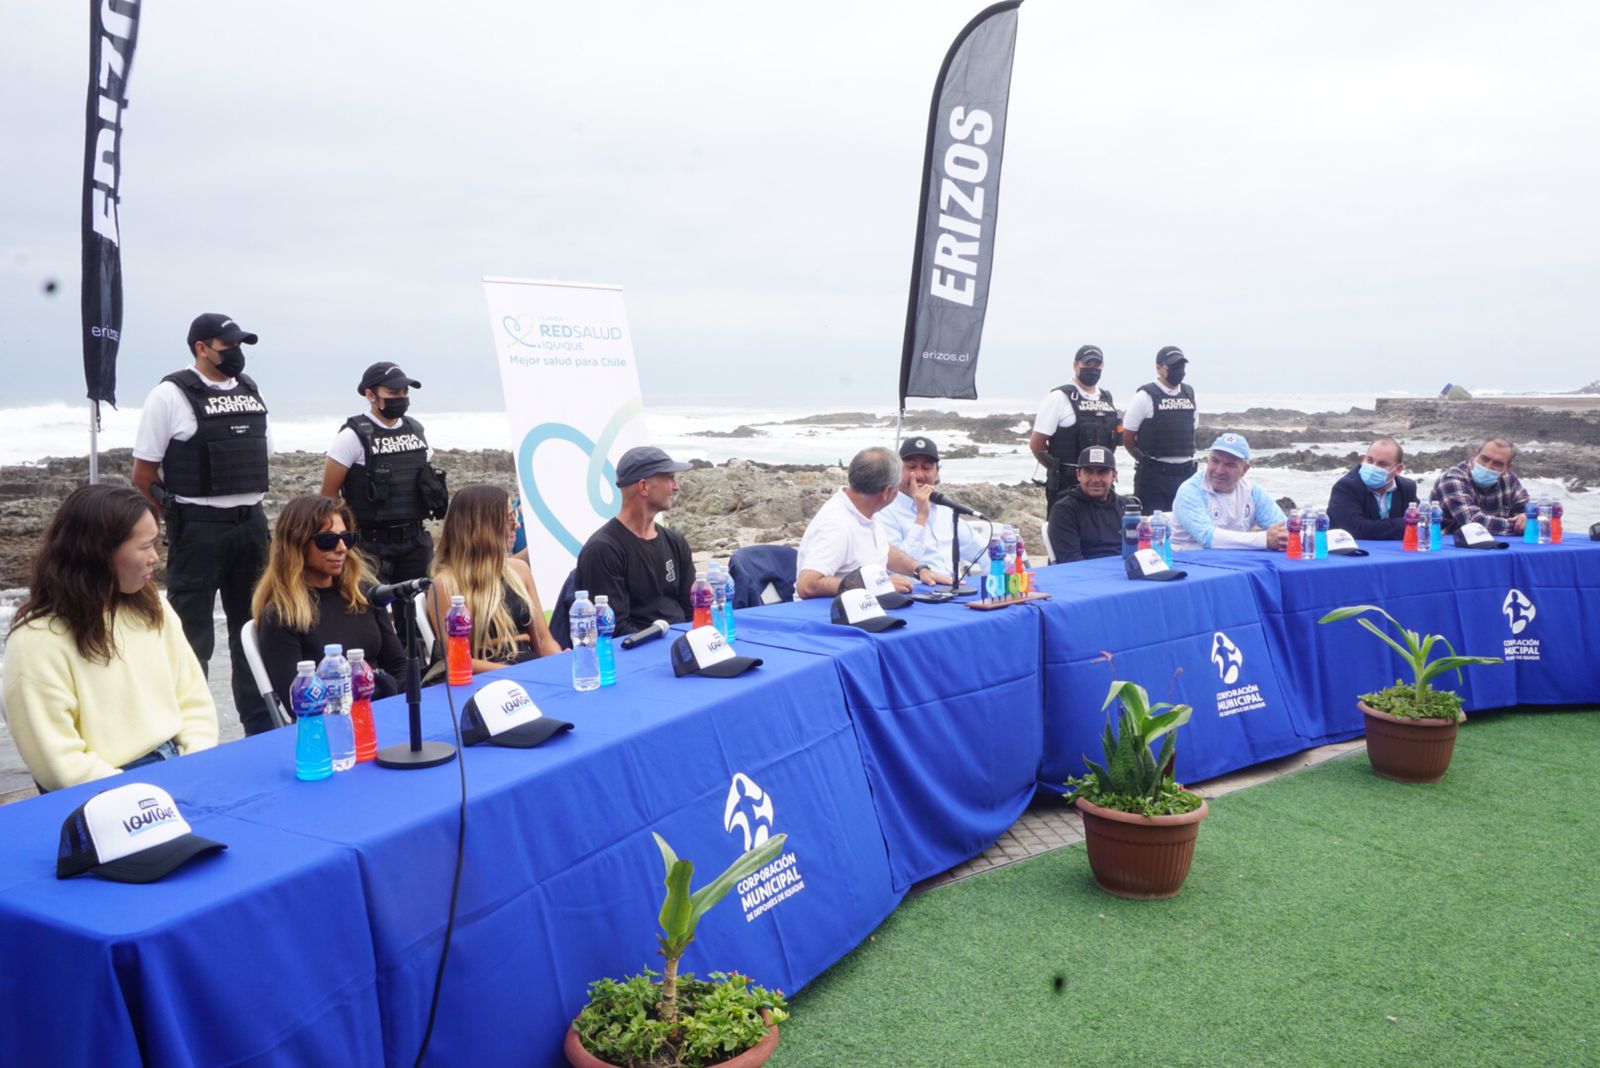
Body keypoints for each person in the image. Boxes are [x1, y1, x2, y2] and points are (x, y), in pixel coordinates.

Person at [3, 485, 218, 792]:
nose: (155, 558)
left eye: (156, 544)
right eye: (144, 547)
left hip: (180, 765)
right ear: (99, 553)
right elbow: (58, 762)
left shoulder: (153, 607)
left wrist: (193, 762)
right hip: (107, 789)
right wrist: (139, 794)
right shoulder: (36, 640)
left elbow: (194, 701)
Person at [131, 312, 274, 735]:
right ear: (201, 348)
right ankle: (185, 734)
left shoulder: (250, 390)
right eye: (228, 346)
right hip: (198, 528)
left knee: (252, 629)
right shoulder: (170, 395)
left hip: (251, 526)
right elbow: (144, 475)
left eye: (240, 345)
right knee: (190, 637)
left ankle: (260, 729)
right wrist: (155, 535)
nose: (236, 354)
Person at [251, 495, 407, 710]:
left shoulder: (363, 595)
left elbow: (401, 667)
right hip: (332, 726)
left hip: (384, 713)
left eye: (347, 538)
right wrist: (375, 687)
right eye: (327, 540)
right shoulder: (282, 614)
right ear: (298, 544)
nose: (342, 548)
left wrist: (373, 691)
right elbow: (297, 701)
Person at [319, 362, 442, 585]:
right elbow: (328, 496)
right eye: (393, 392)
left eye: (405, 392)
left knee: (417, 611)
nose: (402, 397)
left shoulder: (416, 431)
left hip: (415, 544)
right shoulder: (352, 436)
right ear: (370, 395)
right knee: (368, 612)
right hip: (369, 546)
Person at [426, 484, 561, 674]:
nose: (517, 525)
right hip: (488, 681)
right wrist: (518, 674)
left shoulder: (519, 571)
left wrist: (563, 665)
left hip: (531, 670)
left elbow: (544, 641)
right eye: (509, 518)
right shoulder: (445, 585)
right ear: (484, 528)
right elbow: (456, 659)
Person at [574, 446, 696, 635]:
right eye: (669, 478)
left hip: (682, 643)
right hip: (637, 652)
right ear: (644, 487)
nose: (676, 486)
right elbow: (614, 629)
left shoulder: (676, 542)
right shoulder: (602, 550)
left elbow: (692, 609)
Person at [795, 447, 928, 599]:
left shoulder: (864, 509)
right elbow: (807, 585)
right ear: (886, 492)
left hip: (862, 606)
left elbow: (880, 549)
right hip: (828, 614)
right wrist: (875, 585)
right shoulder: (837, 525)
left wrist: (919, 570)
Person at [876, 437, 983, 583]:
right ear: (897, 471)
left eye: (926, 468)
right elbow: (900, 569)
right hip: (918, 594)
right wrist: (921, 516)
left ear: (937, 473)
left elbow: (981, 551)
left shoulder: (945, 509)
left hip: (955, 590)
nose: (919, 475)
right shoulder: (885, 511)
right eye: (911, 467)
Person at [1030, 345, 1119, 512]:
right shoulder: (1058, 397)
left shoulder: (1106, 398)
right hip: (1067, 484)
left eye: (1096, 365)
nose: (1092, 369)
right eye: (1087, 364)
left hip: (1103, 484)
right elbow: (1037, 444)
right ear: (1075, 365)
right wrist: (1058, 470)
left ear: (1102, 367)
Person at [1171, 433, 1288, 551]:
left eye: (1229, 465)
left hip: (1233, 560)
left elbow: (1285, 528)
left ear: (1245, 469)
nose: (1219, 470)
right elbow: (1206, 537)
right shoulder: (1191, 490)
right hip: (1189, 560)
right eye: (1215, 461)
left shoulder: (1252, 491)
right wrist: (1263, 540)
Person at [1121, 345, 1197, 512]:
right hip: (1154, 475)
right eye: (1173, 366)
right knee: (1151, 526)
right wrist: (1144, 461)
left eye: (1181, 366)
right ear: (1159, 368)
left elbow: (1192, 428)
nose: (1179, 370)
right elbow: (1128, 437)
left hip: (1185, 473)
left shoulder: (1190, 394)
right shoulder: (1145, 396)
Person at [1429, 436, 1530, 536]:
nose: (1488, 466)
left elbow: (1528, 511)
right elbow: (1474, 522)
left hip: (1496, 543)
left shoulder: (1510, 479)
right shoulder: (1452, 478)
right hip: (1452, 545)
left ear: (1507, 467)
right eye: (1484, 459)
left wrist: (1525, 517)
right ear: (1475, 454)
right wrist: (1524, 525)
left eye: (1498, 463)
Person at [1047, 446, 1133, 563]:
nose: (1095, 479)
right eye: (1088, 472)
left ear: (1114, 476)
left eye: (1102, 472)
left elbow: (1139, 550)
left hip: (1126, 571)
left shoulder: (1128, 506)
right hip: (1085, 575)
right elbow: (1070, 560)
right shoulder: (1064, 510)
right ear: (1078, 474)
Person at [1326, 436, 1419, 540]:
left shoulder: (1407, 488)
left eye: (1382, 464)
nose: (1373, 467)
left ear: (1398, 469)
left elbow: (1421, 521)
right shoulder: (1345, 487)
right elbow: (1356, 529)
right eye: (1369, 460)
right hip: (1352, 553)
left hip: (1398, 552)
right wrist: (1405, 523)